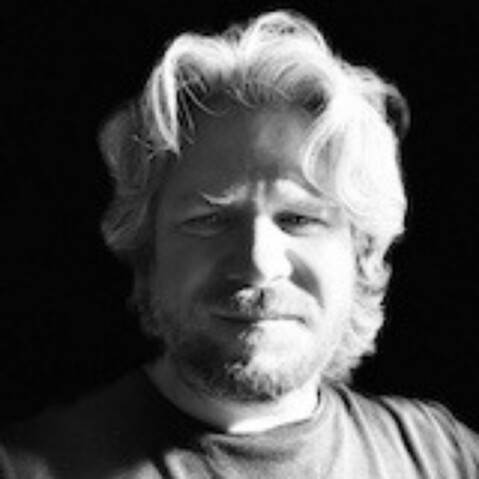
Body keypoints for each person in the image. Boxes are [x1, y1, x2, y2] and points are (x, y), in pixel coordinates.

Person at [1, 9, 478, 478]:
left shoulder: (445, 454)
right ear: (148, 249)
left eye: (299, 219)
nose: (259, 264)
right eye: (210, 219)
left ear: (363, 252)